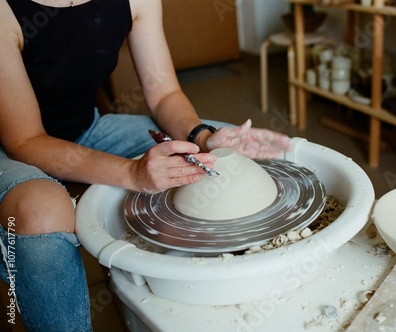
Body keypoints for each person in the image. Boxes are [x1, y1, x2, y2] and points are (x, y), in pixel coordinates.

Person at [0, 0, 292, 330]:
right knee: (42, 213)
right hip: (13, 145)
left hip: (84, 127)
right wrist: (131, 173)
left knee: (220, 151)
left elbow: (164, 93)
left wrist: (202, 137)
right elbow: (25, 142)